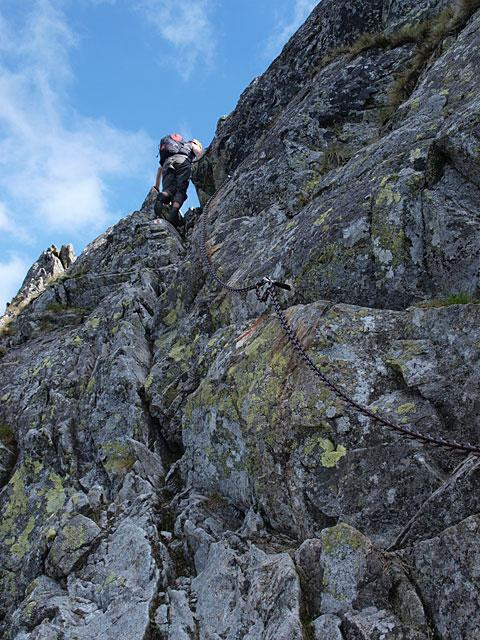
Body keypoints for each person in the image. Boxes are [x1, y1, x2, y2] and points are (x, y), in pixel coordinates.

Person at [153, 134, 203, 228]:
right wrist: (199, 159)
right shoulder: (191, 144)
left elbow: (160, 169)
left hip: (167, 163)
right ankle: (174, 214)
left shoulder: (174, 149)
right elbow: (198, 152)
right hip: (182, 162)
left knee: (170, 189)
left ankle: (163, 195)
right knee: (181, 190)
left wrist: (156, 186)